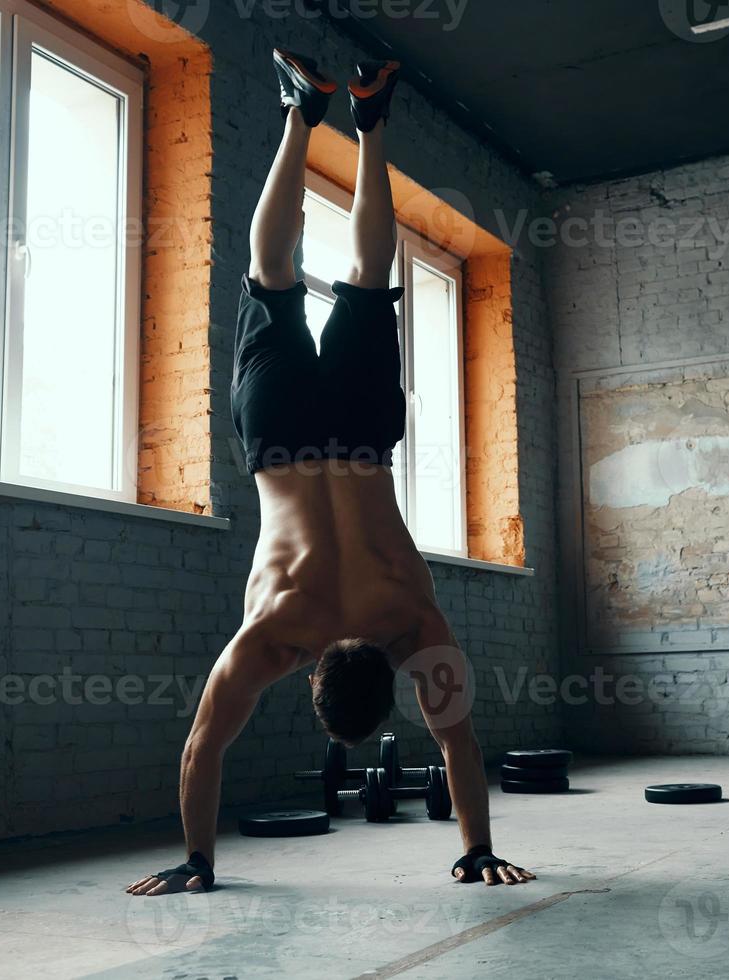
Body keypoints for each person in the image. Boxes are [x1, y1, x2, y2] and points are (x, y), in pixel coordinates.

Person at [125, 50, 534, 896]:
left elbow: (459, 739)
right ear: (311, 677)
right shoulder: (277, 632)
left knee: (364, 280)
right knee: (271, 281)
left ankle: (370, 123)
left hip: (361, 440)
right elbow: (204, 745)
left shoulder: (414, 622)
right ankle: (298, 115)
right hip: (277, 443)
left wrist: (478, 847)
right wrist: (195, 860)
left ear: (389, 681)